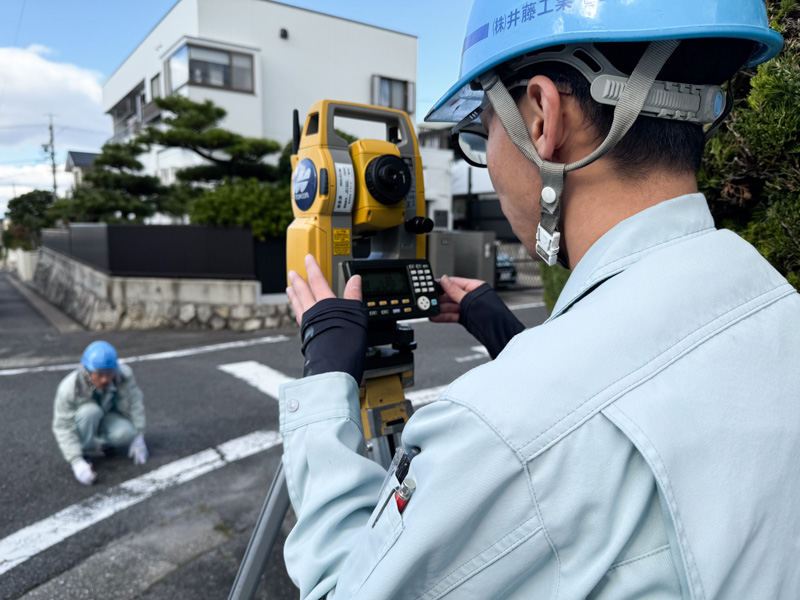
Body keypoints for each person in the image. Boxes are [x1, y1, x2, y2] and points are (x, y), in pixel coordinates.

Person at [280, 1, 800, 598]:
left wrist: (323, 394)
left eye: (482, 130)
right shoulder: (777, 305)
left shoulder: (499, 430)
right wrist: (514, 341)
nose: (490, 161)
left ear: (541, 118)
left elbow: (344, 588)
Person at [52, 341, 148, 485]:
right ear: (87, 370)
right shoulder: (70, 388)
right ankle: (85, 453)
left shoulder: (124, 375)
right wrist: (75, 460)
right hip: (88, 417)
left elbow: (135, 404)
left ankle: (105, 444)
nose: (105, 379)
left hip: (108, 415)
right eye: (99, 374)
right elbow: (63, 426)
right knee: (90, 411)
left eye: (109, 373)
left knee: (127, 431)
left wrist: (139, 435)